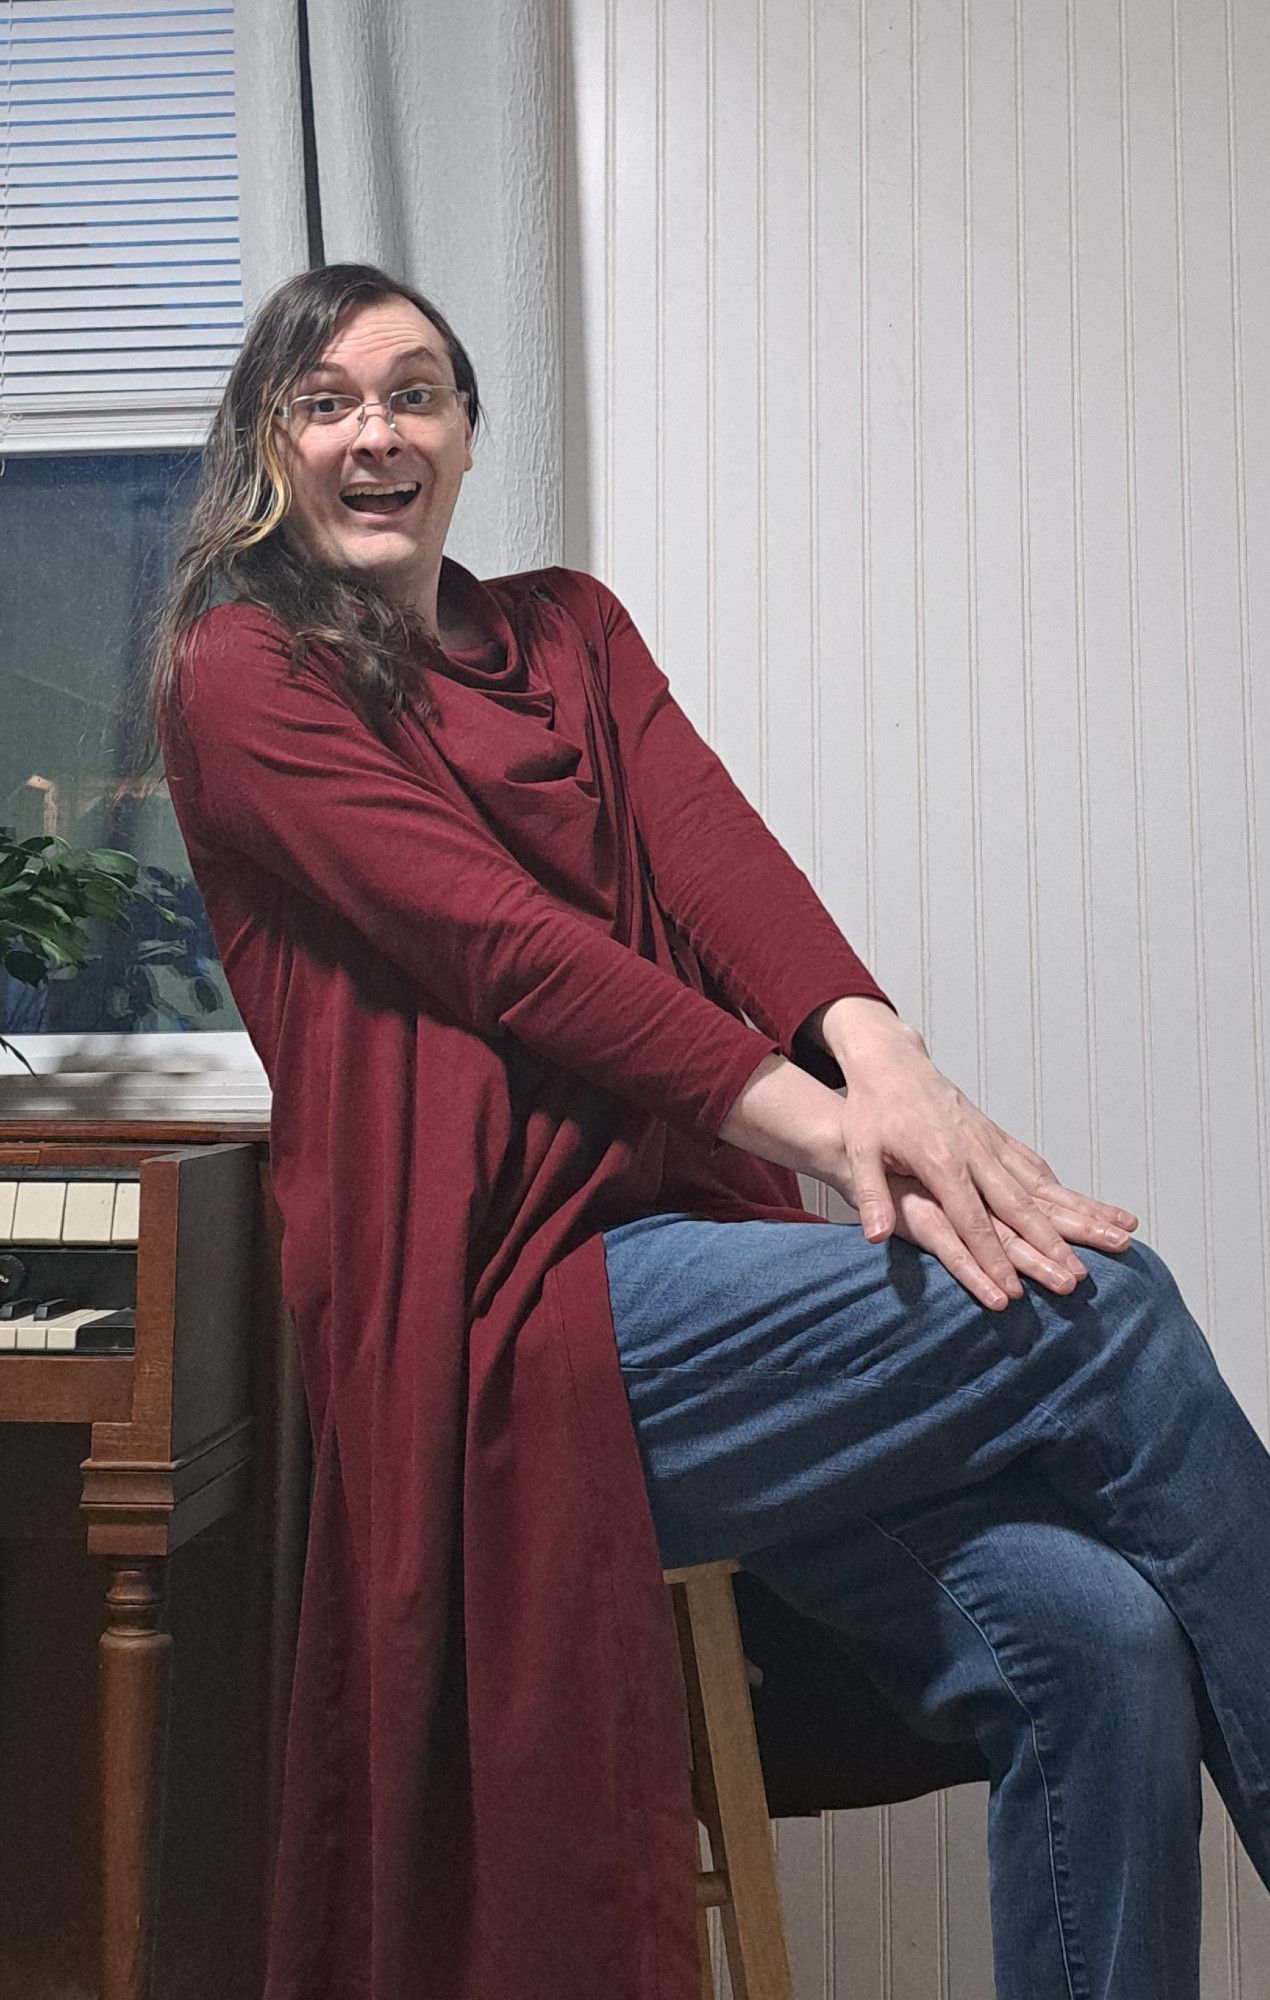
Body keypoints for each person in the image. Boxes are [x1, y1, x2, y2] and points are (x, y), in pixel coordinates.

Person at [150, 262, 1270, 2000]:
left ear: (464, 434)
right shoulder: (245, 675)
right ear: (269, 446)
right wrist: (841, 1141)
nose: (375, 430)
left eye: (415, 393)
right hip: (510, 1328)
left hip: (707, 1280)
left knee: (1099, 1635)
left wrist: (884, 1060)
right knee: (1107, 1312)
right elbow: (513, 954)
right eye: (326, 399)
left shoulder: (569, 631)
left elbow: (717, 862)